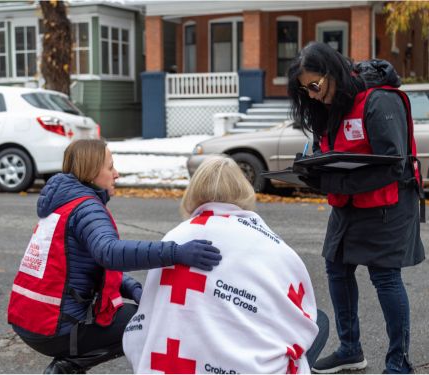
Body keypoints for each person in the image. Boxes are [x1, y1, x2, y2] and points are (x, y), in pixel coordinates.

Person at [7, 139, 222, 374]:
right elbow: (109, 253)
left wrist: (130, 288)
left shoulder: (62, 204)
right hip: (56, 329)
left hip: (30, 322)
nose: (116, 174)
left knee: (132, 313)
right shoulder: (86, 207)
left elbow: (84, 267)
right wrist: (176, 252)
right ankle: (70, 365)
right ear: (91, 171)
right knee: (149, 319)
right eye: (110, 167)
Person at [287, 41, 425, 374]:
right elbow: (333, 153)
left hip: (387, 203)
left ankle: (398, 362)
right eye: (306, 91)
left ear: (332, 72)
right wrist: (312, 172)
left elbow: (393, 164)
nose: (313, 96)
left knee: (384, 277)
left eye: (315, 86)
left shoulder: (380, 101)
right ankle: (350, 349)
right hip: (348, 203)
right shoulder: (329, 108)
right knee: (336, 267)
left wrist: (337, 183)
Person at [122, 156, 328, 374]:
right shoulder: (267, 243)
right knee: (319, 321)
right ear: (243, 190)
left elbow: (147, 319)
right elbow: (298, 312)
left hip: (168, 364)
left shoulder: (175, 237)